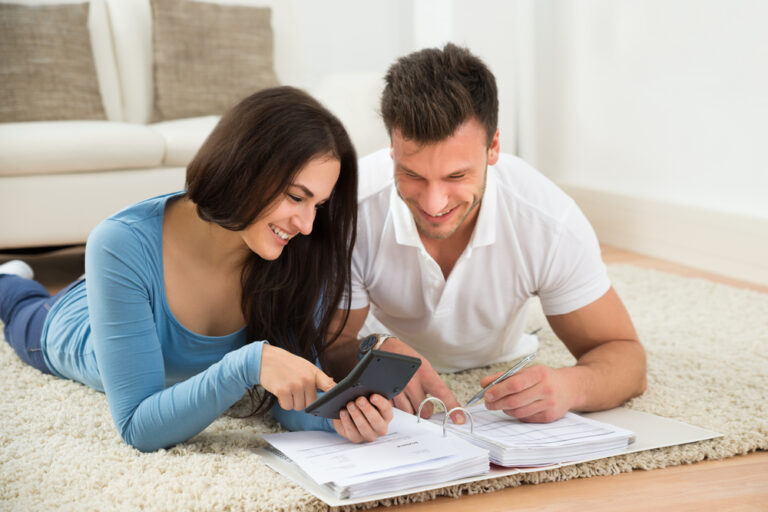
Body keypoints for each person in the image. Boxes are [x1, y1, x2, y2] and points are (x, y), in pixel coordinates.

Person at [0, 86, 393, 452]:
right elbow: (140, 427)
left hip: (126, 285)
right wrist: (246, 365)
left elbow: (288, 401)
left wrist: (339, 417)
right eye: (295, 197)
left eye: (318, 205)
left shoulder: (297, 252)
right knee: (18, 305)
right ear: (244, 168)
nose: (307, 224)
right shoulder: (118, 242)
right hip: (70, 321)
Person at [325, 44, 646, 424]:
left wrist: (570, 386)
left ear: (493, 147)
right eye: (413, 175)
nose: (434, 201)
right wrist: (372, 350)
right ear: (392, 148)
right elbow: (327, 344)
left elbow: (625, 355)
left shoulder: (548, 221)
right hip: (382, 350)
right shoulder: (349, 210)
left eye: (456, 176)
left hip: (500, 357)